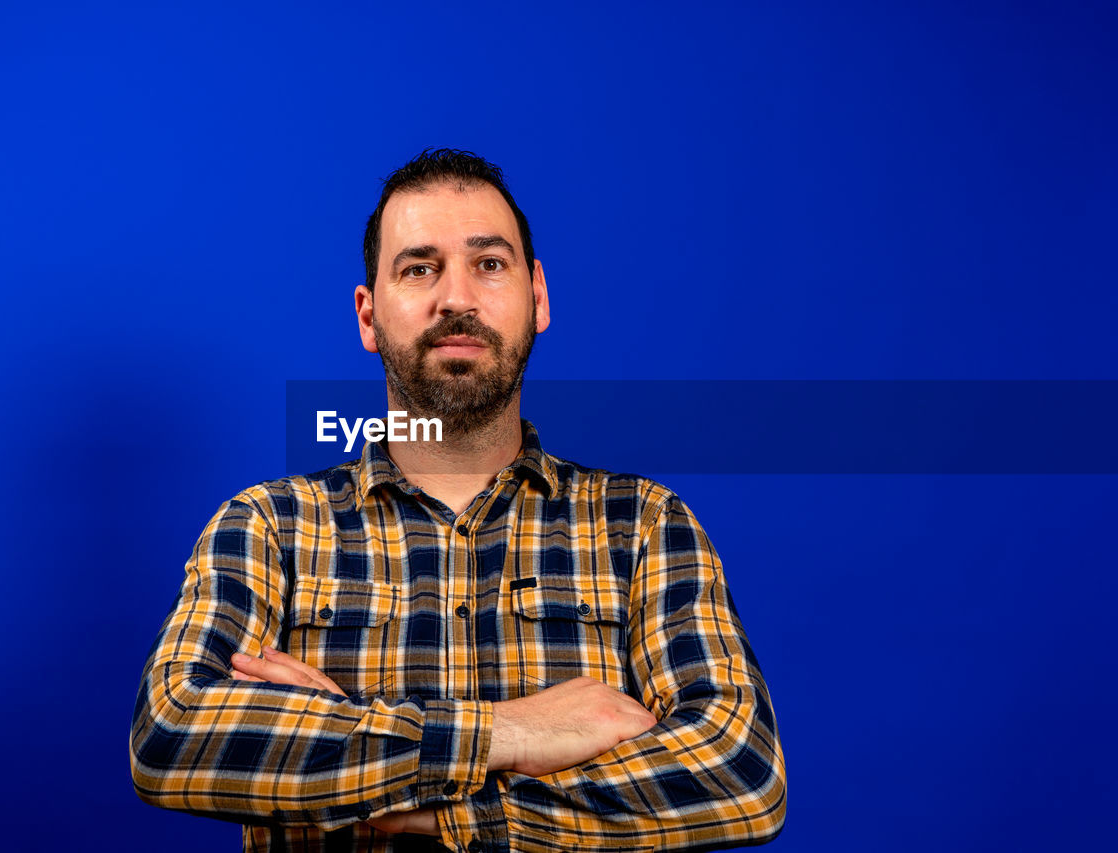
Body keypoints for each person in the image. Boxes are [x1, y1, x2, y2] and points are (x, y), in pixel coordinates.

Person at [130, 149, 787, 852]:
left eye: (489, 263)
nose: (456, 298)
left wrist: (377, 761)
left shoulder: (642, 524)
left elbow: (740, 772)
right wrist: (517, 732)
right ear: (368, 315)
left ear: (537, 297)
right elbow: (173, 733)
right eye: (419, 267)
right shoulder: (269, 526)